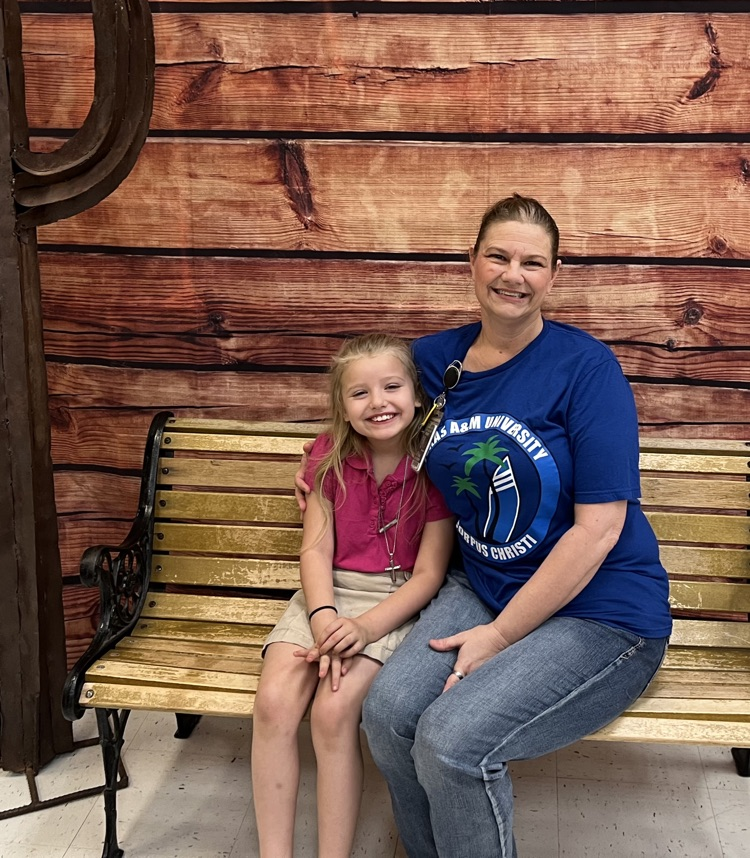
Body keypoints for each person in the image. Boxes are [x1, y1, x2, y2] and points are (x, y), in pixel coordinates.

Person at [295, 195, 672, 857]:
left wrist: (499, 637)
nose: (512, 273)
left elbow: (599, 531)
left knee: (452, 743)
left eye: (532, 261)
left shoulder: (586, 371)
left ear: (553, 275)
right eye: (498, 255)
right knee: (386, 714)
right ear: (471, 262)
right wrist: (320, 471)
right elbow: (365, 410)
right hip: (482, 583)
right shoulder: (435, 362)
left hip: (601, 613)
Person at [251, 333, 455, 858]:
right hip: (325, 593)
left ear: (417, 393)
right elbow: (315, 553)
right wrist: (322, 616)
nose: (378, 403)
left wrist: (362, 629)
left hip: (394, 602)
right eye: (359, 393)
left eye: (392, 386)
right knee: (274, 703)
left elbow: (429, 575)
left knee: (334, 711)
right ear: (341, 405)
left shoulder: (436, 465)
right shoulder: (329, 455)